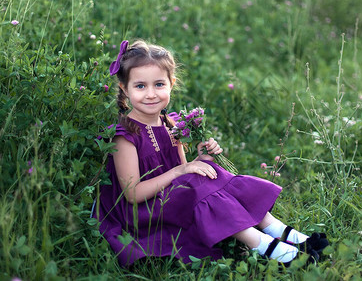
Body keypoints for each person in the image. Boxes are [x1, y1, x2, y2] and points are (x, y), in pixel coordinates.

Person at [92, 39, 329, 268]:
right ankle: (267, 247)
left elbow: (184, 173)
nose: (151, 94)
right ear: (125, 88)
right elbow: (133, 194)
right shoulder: (125, 136)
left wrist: (201, 160)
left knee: (211, 172)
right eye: (140, 86)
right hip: (141, 215)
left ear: (172, 83)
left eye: (159, 84)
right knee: (198, 179)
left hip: (168, 200)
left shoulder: (172, 125)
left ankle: (279, 231)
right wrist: (183, 170)